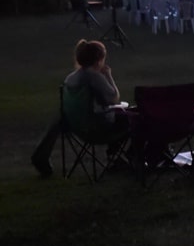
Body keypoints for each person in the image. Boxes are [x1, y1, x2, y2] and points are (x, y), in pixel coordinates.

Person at [32, 39, 129, 177]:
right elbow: (113, 98)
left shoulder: (70, 79)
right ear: (98, 60)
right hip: (96, 129)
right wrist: (108, 75)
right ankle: (118, 158)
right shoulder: (94, 77)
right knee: (130, 118)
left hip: (77, 127)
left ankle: (117, 158)